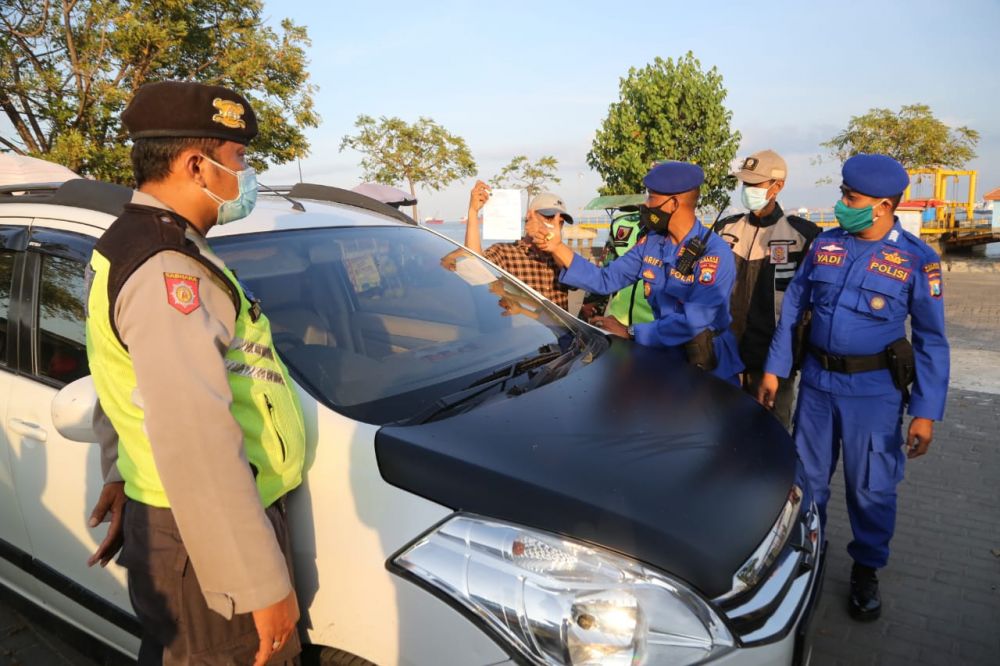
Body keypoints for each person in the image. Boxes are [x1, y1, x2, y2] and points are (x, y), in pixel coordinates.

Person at [84, 80, 305, 665]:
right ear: (196, 166)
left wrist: (120, 473)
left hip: (180, 524)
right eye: (238, 159)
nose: (246, 174)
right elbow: (197, 435)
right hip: (203, 539)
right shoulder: (166, 269)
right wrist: (259, 582)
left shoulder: (133, 241)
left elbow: (119, 376)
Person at [758, 153, 949, 622]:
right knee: (807, 482)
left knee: (871, 487)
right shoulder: (826, 245)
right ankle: (808, 552)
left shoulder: (916, 259)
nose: (842, 203)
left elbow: (931, 341)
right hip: (818, 387)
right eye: (844, 194)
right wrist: (774, 370)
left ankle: (866, 567)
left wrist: (926, 411)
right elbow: (794, 309)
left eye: (851, 197)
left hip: (874, 395)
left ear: (883, 205)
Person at [533, 161, 743, 383]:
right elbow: (605, 280)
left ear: (673, 203)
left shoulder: (714, 253)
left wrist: (631, 332)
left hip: (709, 363)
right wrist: (557, 247)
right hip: (666, 355)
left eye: (651, 197)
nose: (646, 203)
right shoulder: (651, 243)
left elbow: (694, 320)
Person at [716, 150, 819, 427]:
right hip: (726, 359)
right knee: (724, 435)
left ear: (777, 186)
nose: (748, 190)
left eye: (755, 185)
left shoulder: (803, 236)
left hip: (773, 366)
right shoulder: (726, 229)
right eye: (745, 184)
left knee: (770, 438)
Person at [443, 180, 574, 310]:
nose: (554, 226)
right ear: (530, 215)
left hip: (563, 330)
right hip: (523, 328)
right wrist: (473, 212)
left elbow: (582, 281)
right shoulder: (506, 252)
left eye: (560, 222)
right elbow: (476, 266)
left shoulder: (561, 256)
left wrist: (556, 247)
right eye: (549, 218)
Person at [577, 208, 655, 327]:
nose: (645, 202)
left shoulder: (679, 236)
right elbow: (606, 268)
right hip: (616, 323)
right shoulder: (622, 224)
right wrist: (590, 306)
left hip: (653, 330)